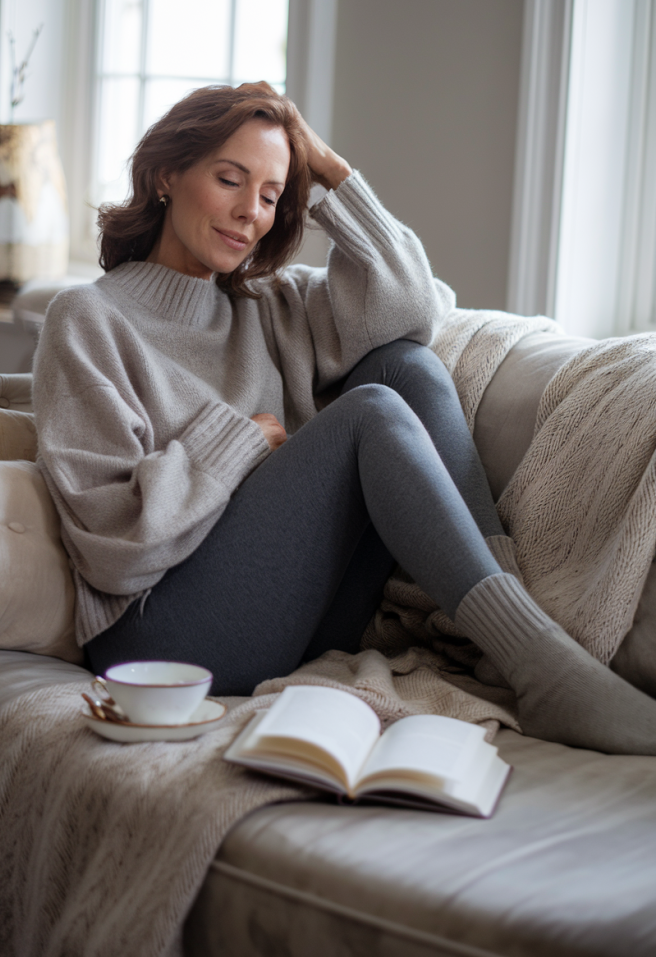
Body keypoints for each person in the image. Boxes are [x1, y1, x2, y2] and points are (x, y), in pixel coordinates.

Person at [34, 82, 656, 755]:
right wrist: (239, 440)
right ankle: (538, 665)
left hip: (290, 611)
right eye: (229, 179)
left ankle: (508, 641)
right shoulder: (87, 320)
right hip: (158, 635)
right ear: (165, 175)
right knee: (369, 413)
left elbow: (417, 311)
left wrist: (332, 173)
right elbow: (112, 549)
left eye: (271, 195)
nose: (249, 212)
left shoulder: (269, 306)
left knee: (402, 368)